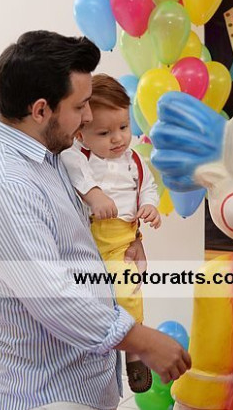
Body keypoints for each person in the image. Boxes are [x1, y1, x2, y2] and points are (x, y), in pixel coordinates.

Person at [0, 30, 190, 410]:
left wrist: (127, 240)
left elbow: (73, 241)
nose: (88, 116)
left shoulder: (51, 154)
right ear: (40, 111)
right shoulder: (3, 186)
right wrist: (144, 341)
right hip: (45, 394)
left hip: (81, 384)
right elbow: (54, 297)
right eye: (80, 106)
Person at [61, 74, 161, 393]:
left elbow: (149, 187)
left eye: (123, 127)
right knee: (93, 301)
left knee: (128, 292)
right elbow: (73, 168)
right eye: (104, 133)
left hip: (122, 241)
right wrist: (94, 194)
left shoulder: (135, 160)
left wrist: (150, 206)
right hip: (91, 240)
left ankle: (135, 352)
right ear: (81, 133)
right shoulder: (78, 156)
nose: (117, 139)